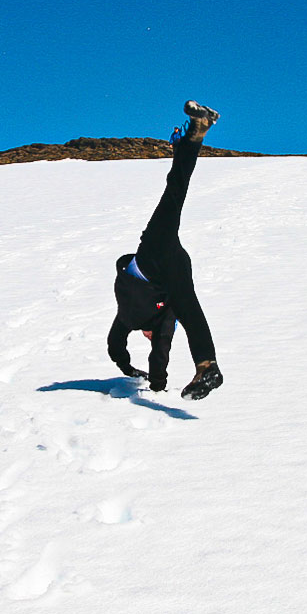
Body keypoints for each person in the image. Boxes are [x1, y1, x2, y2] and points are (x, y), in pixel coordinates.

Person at [107, 100, 224, 400]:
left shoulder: (129, 319)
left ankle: (192, 137)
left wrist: (129, 369)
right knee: (187, 305)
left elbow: (115, 344)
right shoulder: (157, 321)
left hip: (156, 260)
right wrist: (152, 381)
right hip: (160, 259)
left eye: (148, 336)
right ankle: (206, 365)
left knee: (174, 194)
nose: (151, 337)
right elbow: (154, 355)